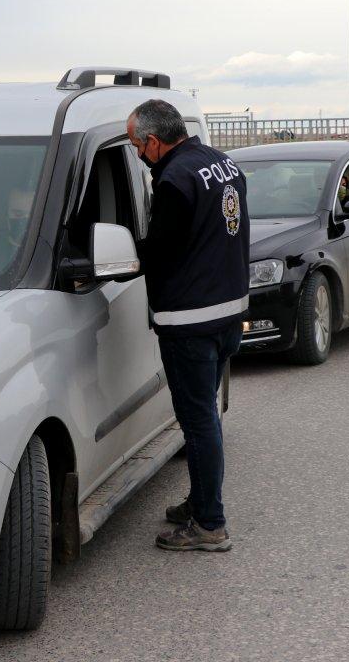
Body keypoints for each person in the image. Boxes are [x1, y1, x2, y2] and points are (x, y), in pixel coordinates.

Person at [127, 99, 250, 552]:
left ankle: (209, 525)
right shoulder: (224, 164)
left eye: (137, 146)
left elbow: (159, 250)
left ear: (154, 142)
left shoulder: (175, 180)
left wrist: (124, 253)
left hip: (191, 321)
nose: (137, 154)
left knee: (198, 423)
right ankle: (201, 500)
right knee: (205, 419)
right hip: (228, 314)